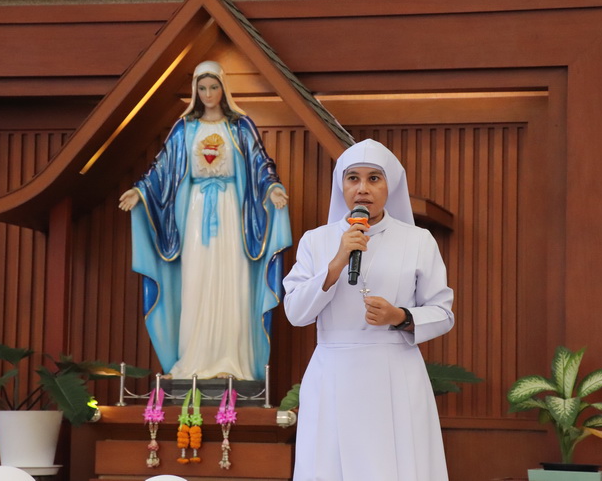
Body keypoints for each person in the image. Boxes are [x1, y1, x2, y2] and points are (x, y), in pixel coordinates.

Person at [283, 139, 454, 481]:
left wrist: (400, 317)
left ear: (390, 185)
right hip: (333, 372)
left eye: (374, 178)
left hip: (395, 371)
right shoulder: (316, 240)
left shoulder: (418, 240)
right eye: (353, 178)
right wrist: (336, 263)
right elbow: (296, 313)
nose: (362, 188)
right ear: (341, 185)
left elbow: (443, 312)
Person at [119, 60, 291, 381]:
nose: (208, 94)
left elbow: (260, 162)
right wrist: (141, 191)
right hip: (195, 211)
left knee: (232, 280)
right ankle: (191, 362)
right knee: (195, 281)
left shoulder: (240, 126)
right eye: (202, 88)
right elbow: (162, 167)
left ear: (223, 88)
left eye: (213, 87)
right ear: (195, 91)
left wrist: (272, 187)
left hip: (231, 210)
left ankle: (231, 363)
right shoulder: (186, 128)